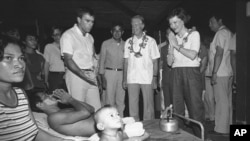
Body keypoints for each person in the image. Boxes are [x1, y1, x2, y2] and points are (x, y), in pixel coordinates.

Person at [0, 35, 71, 141]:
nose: (19, 64)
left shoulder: (20, 94)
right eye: (8, 58)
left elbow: (34, 132)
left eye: (21, 58)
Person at [167, 8, 204, 138]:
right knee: (177, 109)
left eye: (176, 22)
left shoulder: (194, 35)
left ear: (183, 21)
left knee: (195, 108)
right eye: (171, 24)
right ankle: (181, 138)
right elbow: (170, 63)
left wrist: (176, 45)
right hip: (176, 72)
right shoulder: (173, 38)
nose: (173, 26)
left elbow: (193, 55)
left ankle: (200, 137)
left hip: (191, 72)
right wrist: (171, 48)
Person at [60, 7, 101, 110]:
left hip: (91, 75)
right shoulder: (68, 35)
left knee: (96, 109)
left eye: (92, 21)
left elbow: (93, 58)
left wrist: (96, 77)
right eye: (87, 21)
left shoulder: (90, 37)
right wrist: (83, 75)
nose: (90, 24)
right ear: (79, 19)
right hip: (76, 76)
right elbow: (68, 60)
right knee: (79, 110)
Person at [123, 15, 160, 121]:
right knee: (132, 106)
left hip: (147, 78)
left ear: (142, 25)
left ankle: (149, 128)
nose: (134, 27)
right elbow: (125, 62)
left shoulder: (151, 41)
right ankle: (135, 128)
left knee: (148, 106)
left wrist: (155, 78)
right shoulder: (128, 42)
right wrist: (124, 79)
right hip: (132, 78)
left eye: (136, 24)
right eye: (132, 25)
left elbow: (155, 61)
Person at [28, 89, 96, 137]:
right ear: (40, 105)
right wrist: (70, 99)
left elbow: (91, 109)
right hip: (102, 128)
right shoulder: (53, 118)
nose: (50, 96)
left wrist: (71, 100)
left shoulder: (64, 110)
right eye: (46, 96)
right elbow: (85, 113)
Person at [208, 13, 233, 135]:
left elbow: (219, 53)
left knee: (221, 101)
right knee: (227, 101)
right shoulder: (229, 32)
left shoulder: (220, 33)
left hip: (221, 72)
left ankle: (221, 130)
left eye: (212, 22)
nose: (210, 25)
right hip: (228, 72)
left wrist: (214, 73)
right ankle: (228, 128)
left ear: (220, 20)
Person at [99, 22, 125, 117]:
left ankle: (120, 121)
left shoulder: (126, 44)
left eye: (119, 30)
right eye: (115, 30)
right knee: (109, 100)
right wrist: (102, 77)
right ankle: (109, 121)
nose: (117, 33)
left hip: (122, 74)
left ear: (122, 32)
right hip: (109, 73)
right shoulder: (105, 44)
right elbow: (101, 61)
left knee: (121, 100)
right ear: (111, 32)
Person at [44, 26, 66, 93]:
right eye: (54, 35)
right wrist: (46, 79)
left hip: (67, 75)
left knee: (68, 99)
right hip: (54, 76)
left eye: (58, 34)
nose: (57, 37)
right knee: (54, 98)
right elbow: (46, 63)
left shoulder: (68, 46)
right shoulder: (49, 47)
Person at [158, 28, 173, 110]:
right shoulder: (163, 49)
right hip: (166, 78)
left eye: (172, 34)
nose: (170, 36)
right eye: (168, 34)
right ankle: (169, 119)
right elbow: (160, 65)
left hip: (177, 79)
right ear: (166, 36)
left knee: (177, 102)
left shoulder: (180, 47)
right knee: (167, 102)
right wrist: (160, 79)